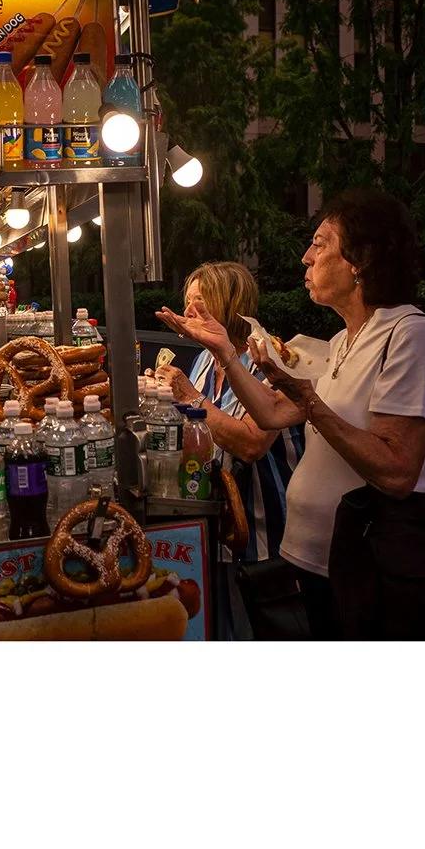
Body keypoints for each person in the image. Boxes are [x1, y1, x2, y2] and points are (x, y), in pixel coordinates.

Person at [156, 189, 425, 638]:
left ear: (360, 260)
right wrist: (225, 352)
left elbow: (397, 470)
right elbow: (273, 413)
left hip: (373, 567)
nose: (305, 258)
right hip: (319, 561)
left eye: (320, 244)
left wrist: (310, 402)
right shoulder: (340, 342)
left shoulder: (409, 336)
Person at [153, 260, 306, 635]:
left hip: (266, 534)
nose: (189, 312)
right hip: (218, 530)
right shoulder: (205, 358)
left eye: (200, 302)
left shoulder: (273, 359)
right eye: (187, 302)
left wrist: (188, 396)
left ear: (229, 304)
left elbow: (251, 443)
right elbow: (200, 429)